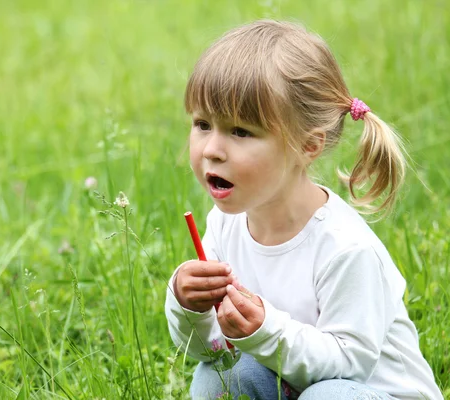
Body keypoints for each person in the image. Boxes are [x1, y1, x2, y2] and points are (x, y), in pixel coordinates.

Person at [164, 20, 443, 400]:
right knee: (219, 377)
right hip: (297, 386)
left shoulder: (345, 248)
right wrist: (189, 307)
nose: (212, 148)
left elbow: (349, 367)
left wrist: (266, 331)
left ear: (307, 146)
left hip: (368, 393)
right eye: (202, 124)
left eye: (240, 131)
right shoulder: (224, 225)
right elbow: (210, 351)